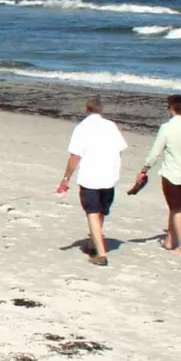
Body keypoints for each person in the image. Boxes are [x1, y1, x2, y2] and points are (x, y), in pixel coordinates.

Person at [57, 95, 129, 266]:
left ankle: (101, 253)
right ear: (101, 110)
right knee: (100, 212)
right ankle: (93, 243)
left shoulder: (82, 128)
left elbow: (75, 156)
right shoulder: (111, 126)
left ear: (86, 110)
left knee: (92, 213)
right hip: (109, 177)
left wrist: (66, 178)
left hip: (91, 177)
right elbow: (120, 150)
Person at [139, 93, 181, 256]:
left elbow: (156, 151)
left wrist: (145, 168)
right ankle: (169, 240)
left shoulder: (166, 128)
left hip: (171, 173)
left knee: (177, 209)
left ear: (171, 108)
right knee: (175, 207)